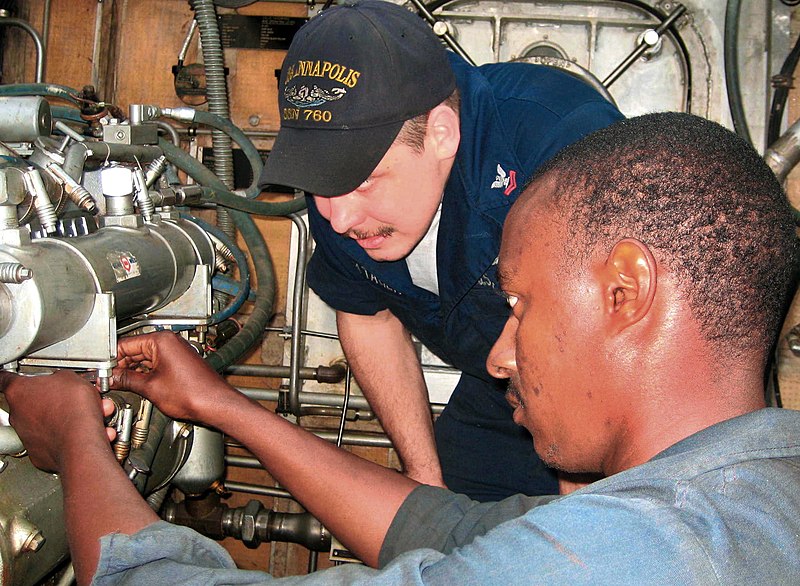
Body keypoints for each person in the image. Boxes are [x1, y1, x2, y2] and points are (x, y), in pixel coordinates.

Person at [5, 112, 800, 585]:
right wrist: (219, 406)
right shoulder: (747, 490)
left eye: (520, 306)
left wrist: (76, 436)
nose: (498, 356)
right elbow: (445, 532)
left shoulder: (633, 558)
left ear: (626, 292)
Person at [258, 0, 624, 501]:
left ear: (440, 134)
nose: (337, 219)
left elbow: (608, 329)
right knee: (444, 531)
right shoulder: (336, 195)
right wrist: (424, 482)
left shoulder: (555, 134)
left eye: (363, 181)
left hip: (617, 388)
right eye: (322, 186)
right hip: (501, 387)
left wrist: (580, 501)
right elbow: (369, 317)